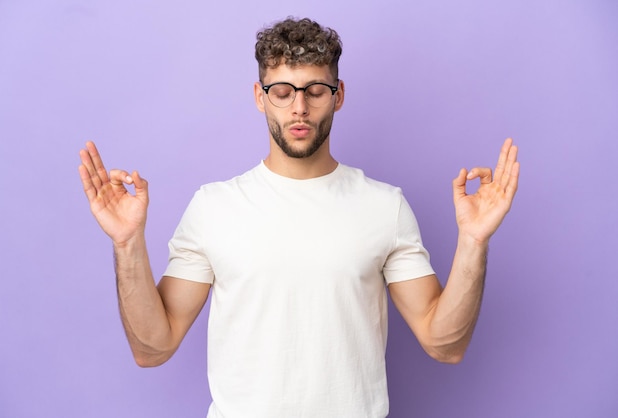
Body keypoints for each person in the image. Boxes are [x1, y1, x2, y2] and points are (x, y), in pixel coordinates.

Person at [78, 17, 519, 418]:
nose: (299, 109)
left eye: (315, 90)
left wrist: (474, 242)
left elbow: (446, 345)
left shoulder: (384, 206)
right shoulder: (215, 207)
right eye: (283, 92)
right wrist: (127, 243)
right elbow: (152, 348)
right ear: (260, 97)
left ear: (338, 95)